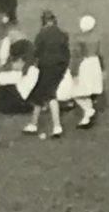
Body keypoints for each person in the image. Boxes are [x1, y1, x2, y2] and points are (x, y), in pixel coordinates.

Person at [23, 10, 72, 141]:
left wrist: (27, 68)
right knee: (42, 93)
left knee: (48, 95)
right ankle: (36, 124)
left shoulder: (41, 34)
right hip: (60, 67)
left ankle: (55, 126)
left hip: (46, 67)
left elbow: (35, 53)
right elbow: (66, 53)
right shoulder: (63, 34)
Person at [69, 14, 104, 129]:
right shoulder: (96, 38)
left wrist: (74, 72)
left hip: (85, 65)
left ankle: (88, 111)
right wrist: (103, 69)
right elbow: (100, 54)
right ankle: (87, 117)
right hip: (95, 64)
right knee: (88, 91)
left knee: (76, 92)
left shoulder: (80, 39)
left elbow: (77, 56)